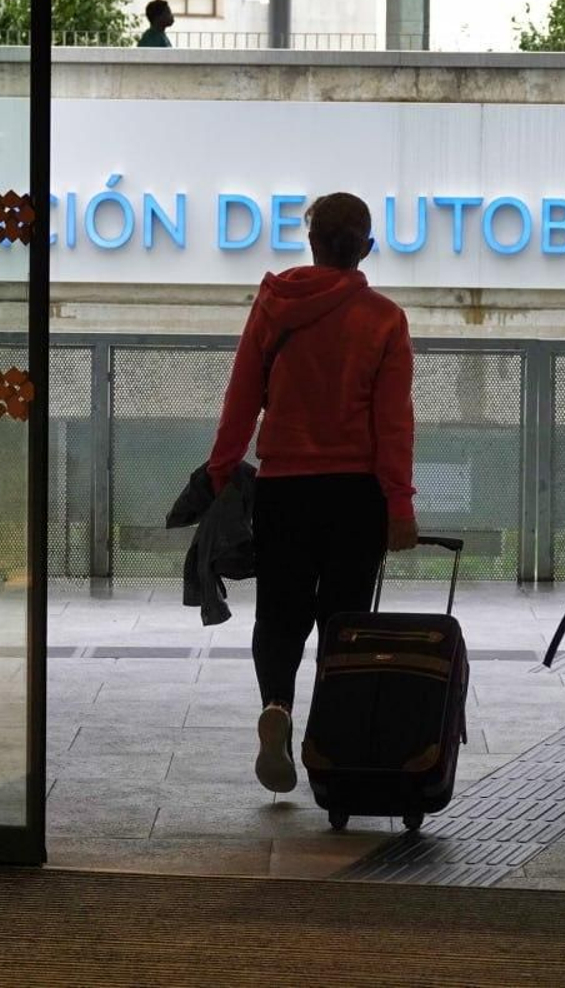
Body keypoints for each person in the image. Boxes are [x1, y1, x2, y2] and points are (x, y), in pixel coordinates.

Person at [207, 192, 419, 793]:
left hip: (284, 488)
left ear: (312, 242)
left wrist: (222, 470)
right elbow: (394, 424)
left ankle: (277, 705)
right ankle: (327, 737)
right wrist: (398, 503)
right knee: (345, 619)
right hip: (356, 496)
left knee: (279, 612)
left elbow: (241, 394)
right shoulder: (383, 318)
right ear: (367, 248)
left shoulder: (274, 306)